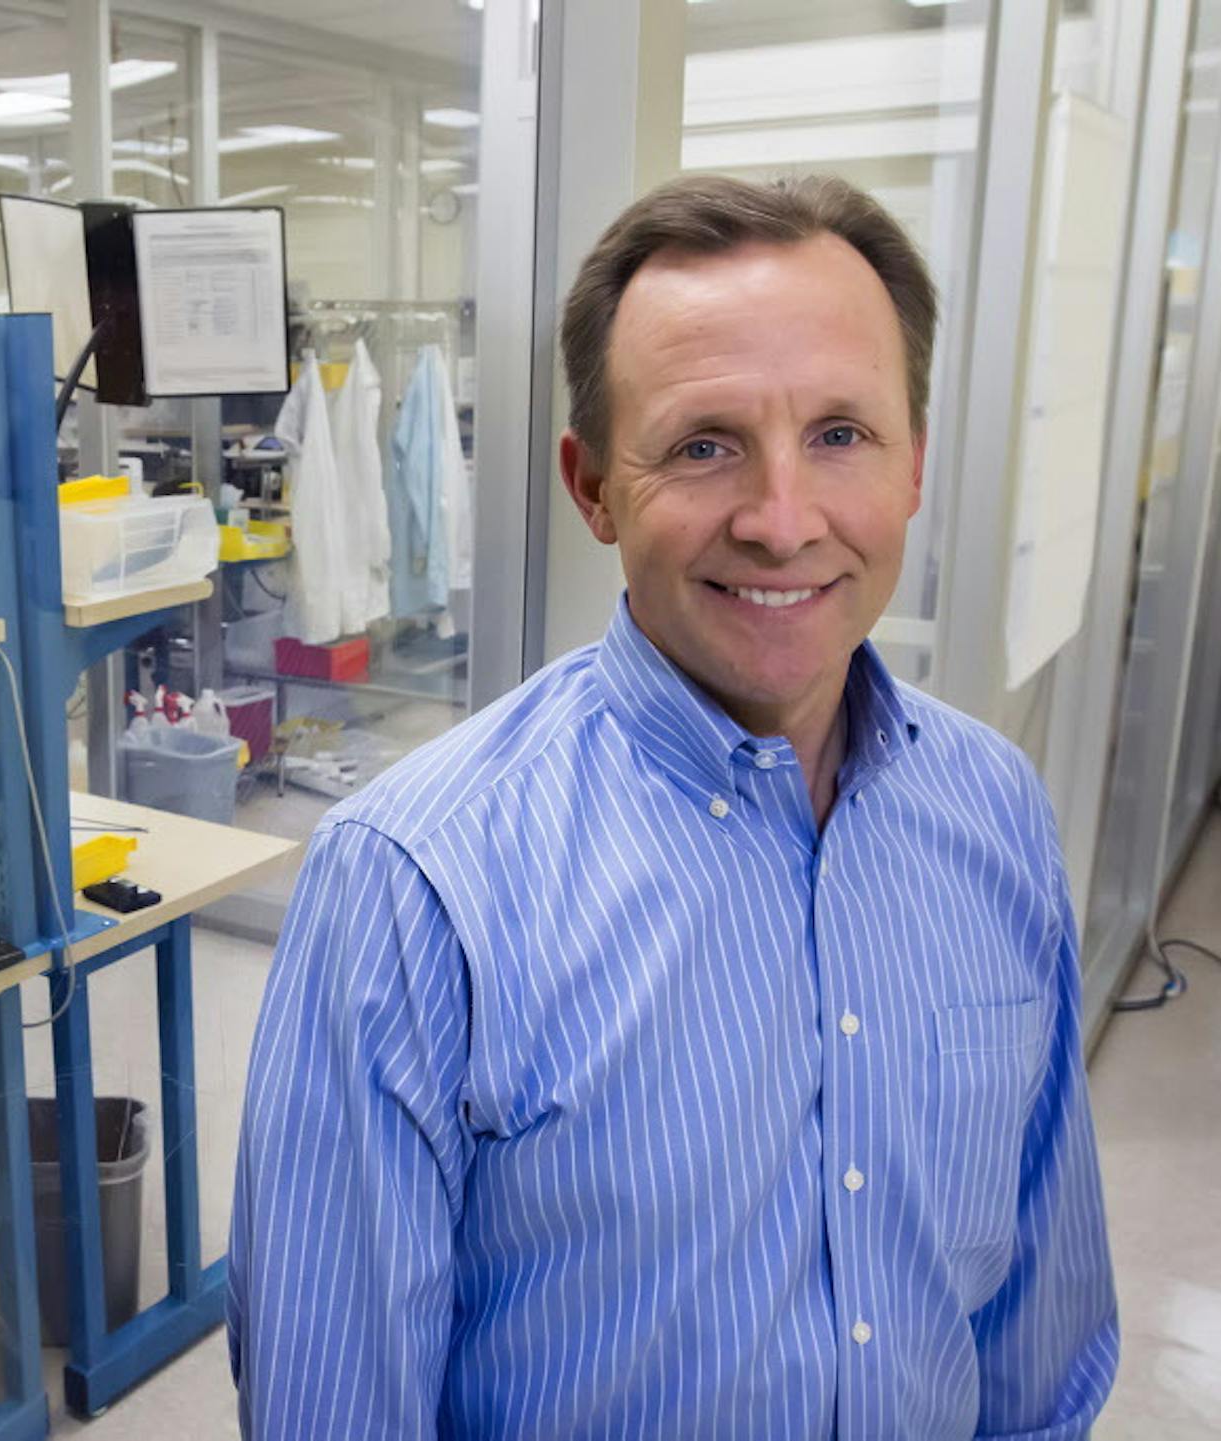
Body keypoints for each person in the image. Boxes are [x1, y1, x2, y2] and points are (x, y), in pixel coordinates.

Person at [228, 175, 1118, 1439]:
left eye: (841, 435)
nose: (782, 520)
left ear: (915, 462)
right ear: (592, 486)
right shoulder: (414, 883)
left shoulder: (994, 811)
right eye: (704, 445)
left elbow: (1039, 1332)